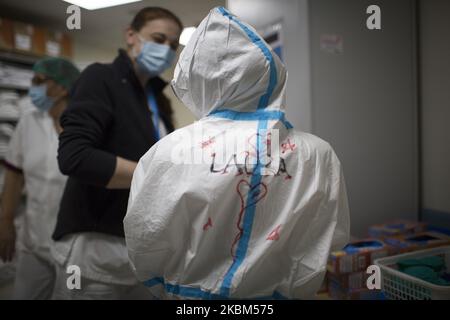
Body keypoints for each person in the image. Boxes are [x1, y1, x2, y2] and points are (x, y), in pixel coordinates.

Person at [124, 7, 350, 299]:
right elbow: (331, 238)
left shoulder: (169, 152)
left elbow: (145, 239)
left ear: (193, 77)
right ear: (270, 71)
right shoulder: (317, 154)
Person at [51, 7, 182, 300]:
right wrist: (159, 176)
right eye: (158, 39)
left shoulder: (158, 100)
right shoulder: (101, 78)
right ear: (131, 35)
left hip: (138, 249)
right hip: (95, 248)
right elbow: (75, 156)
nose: (166, 50)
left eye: (173, 46)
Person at [0, 57, 80, 299]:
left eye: (39, 81)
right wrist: (5, 222)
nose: (32, 86)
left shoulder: (84, 126)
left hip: (73, 246)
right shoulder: (29, 121)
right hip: (33, 239)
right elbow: (15, 175)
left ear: (63, 87)